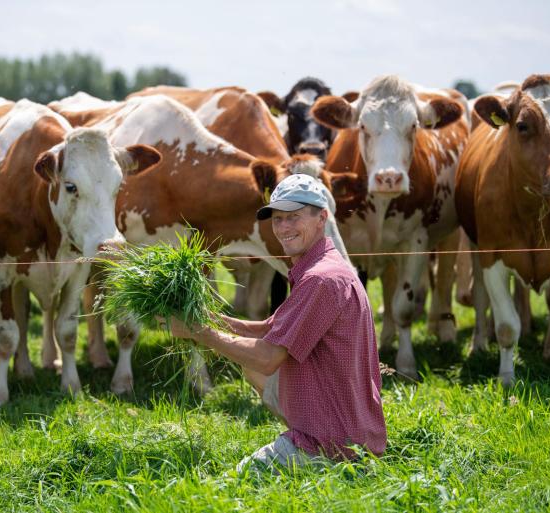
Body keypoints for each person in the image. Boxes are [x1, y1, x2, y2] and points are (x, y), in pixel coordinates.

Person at [164, 173, 386, 472]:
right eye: (278, 219)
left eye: (293, 218)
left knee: (234, 484)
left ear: (322, 218)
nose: (283, 228)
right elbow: (270, 329)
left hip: (331, 443)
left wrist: (197, 332)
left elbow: (267, 358)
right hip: (353, 429)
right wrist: (202, 316)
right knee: (251, 365)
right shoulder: (325, 267)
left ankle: (309, 453)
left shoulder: (321, 280)